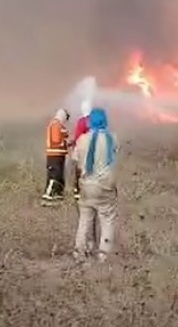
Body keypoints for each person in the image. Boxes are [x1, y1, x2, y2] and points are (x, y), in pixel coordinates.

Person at [72, 107, 118, 261]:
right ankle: (103, 256)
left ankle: (80, 253)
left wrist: (77, 186)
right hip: (106, 187)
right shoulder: (112, 138)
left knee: (84, 220)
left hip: (86, 186)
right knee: (107, 220)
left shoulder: (81, 140)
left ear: (90, 121)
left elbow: (77, 164)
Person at [42, 108, 70, 201]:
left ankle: (58, 193)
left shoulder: (60, 126)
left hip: (60, 154)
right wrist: (65, 142)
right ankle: (48, 193)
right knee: (54, 174)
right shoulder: (55, 125)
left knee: (59, 175)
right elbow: (56, 140)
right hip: (54, 154)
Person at [67, 99, 93, 201]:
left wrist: (73, 143)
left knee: (78, 169)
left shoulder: (82, 121)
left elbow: (78, 136)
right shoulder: (95, 122)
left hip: (81, 148)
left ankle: (77, 190)